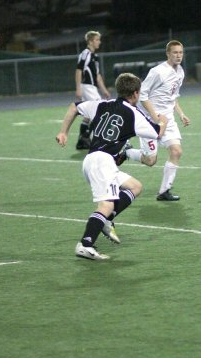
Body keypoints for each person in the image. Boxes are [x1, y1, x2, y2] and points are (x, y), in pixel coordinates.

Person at [56, 72, 167, 260]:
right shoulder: (133, 113)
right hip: (102, 162)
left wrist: (63, 132)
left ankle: (106, 221)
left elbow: (74, 107)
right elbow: (157, 133)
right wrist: (163, 120)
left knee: (135, 187)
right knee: (105, 205)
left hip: (93, 160)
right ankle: (85, 244)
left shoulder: (101, 104)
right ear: (136, 93)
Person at [125, 40, 190, 201]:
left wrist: (181, 114)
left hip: (168, 119)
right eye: (175, 52)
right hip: (149, 120)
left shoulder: (180, 71)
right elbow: (142, 95)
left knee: (176, 151)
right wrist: (155, 118)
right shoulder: (158, 72)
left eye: (181, 52)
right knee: (150, 160)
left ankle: (164, 191)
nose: (178, 55)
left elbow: (172, 97)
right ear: (167, 54)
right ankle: (126, 152)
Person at [75, 30, 110, 150]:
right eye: (96, 40)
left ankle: (82, 141)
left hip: (92, 87)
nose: (99, 42)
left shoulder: (95, 56)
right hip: (87, 87)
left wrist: (104, 90)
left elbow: (98, 76)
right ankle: (90, 139)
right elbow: (79, 70)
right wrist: (78, 88)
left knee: (88, 116)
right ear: (90, 41)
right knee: (100, 110)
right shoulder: (85, 53)